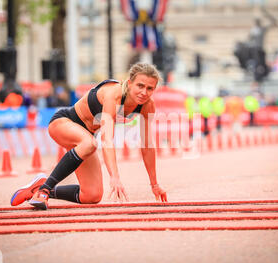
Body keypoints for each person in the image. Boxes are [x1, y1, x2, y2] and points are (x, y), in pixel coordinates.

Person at [10, 63, 168, 210]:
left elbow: (147, 146)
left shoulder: (147, 105)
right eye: (140, 86)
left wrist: (154, 184)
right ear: (129, 82)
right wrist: (115, 177)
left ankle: (38, 188)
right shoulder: (114, 94)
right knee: (90, 143)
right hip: (63, 123)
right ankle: (44, 191)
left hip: (86, 138)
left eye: (150, 88)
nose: (144, 92)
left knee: (92, 195)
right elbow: (107, 140)